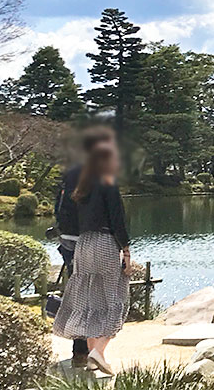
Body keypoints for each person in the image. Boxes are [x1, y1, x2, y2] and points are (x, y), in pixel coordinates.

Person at [53, 142, 132, 375]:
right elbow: (117, 220)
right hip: (105, 243)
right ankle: (99, 351)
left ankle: (89, 357)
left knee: (89, 300)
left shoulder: (81, 187)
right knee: (116, 298)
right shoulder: (108, 182)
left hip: (83, 246)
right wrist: (126, 251)